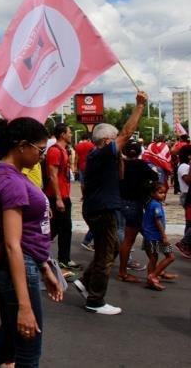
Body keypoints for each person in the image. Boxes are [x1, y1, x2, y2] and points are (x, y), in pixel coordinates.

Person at [0, 117, 63, 368]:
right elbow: (13, 244)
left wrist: (45, 267)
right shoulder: (11, 181)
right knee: (28, 352)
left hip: (26, 266)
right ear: (22, 146)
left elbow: (27, 235)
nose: (43, 155)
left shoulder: (6, 173)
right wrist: (25, 305)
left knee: (8, 346)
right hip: (19, 270)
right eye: (40, 149)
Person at [73, 91, 147, 315]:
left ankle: (85, 282)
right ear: (107, 141)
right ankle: (95, 301)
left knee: (111, 248)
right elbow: (127, 131)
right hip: (102, 210)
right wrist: (140, 107)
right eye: (116, 139)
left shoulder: (105, 158)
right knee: (106, 256)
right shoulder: (102, 154)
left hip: (100, 207)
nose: (121, 142)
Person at [116, 141, 158, 283]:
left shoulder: (121, 164)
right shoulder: (142, 166)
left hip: (123, 203)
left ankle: (156, 268)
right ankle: (123, 272)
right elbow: (155, 177)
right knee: (132, 239)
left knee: (143, 235)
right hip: (135, 204)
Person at [43, 123, 79, 270]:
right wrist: (58, 198)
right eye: (69, 132)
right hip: (56, 197)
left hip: (63, 195)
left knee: (63, 228)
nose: (71, 135)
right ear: (63, 134)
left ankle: (64, 258)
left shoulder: (63, 150)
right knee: (57, 228)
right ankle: (42, 254)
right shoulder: (55, 151)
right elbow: (52, 175)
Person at [142, 183, 177, 290]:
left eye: (164, 193)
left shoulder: (152, 203)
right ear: (152, 194)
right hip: (156, 236)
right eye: (160, 192)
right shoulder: (156, 205)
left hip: (150, 236)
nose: (163, 195)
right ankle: (153, 276)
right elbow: (158, 221)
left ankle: (151, 280)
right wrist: (164, 236)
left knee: (153, 258)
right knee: (170, 256)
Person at [174, 145, 191, 258]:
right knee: (189, 223)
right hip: (187, 195)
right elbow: (188, 180)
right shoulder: (184, 166)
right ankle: (185, 244)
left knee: (189, 223)